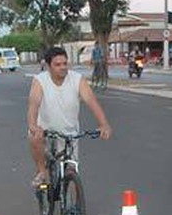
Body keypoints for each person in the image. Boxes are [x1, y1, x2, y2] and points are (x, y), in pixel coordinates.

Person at [27, 47, 112, 186]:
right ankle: (42, 172)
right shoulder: (40, 80)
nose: (63, 67)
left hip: (69, 132)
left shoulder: (77, 79)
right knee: (34, 138)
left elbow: (91, 101)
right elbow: (33, 104)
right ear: (48, 66)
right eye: (58, 65)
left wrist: (104, 124)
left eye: (65, 63)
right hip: (45, 130)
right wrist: (33, 125)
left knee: (71, 172)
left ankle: (72, 205)